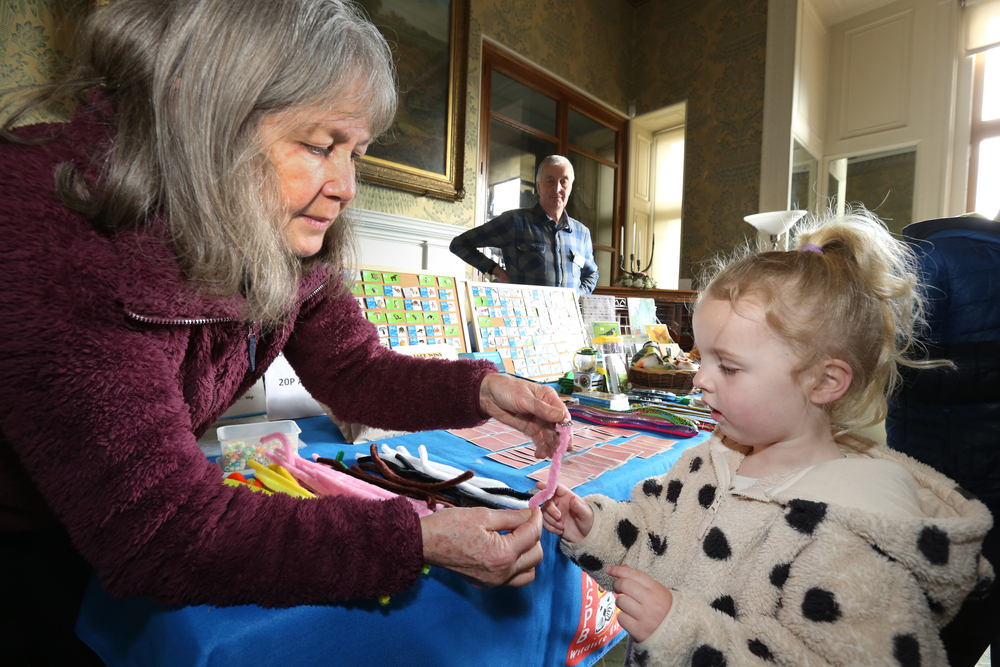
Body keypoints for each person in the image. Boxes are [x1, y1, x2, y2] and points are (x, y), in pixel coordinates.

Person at [0, 0, 570, 664]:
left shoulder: (271, 218)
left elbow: (355, 372)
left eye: (354, 152)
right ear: (205, 113)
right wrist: (416, 541)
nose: (348, 185)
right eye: (321, 145)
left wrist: (483, 389)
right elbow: (163, 532)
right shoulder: (49, 226)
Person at [539, 210, 994, 666]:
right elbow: (655, 537)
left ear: (824, 382)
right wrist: (597, 529)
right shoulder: (710, 458)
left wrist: (682, 633)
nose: (700, 380)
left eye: (729, 367)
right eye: (702, 358)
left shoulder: (853, 536)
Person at [886, 214, 1000, 667]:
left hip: (945, 466)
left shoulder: (932, 254)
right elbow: (889, 358)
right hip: (945, 461)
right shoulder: (936, 255)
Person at [449, 155, 599, 295]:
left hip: (566, 321)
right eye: (550, 181)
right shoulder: (514, 221)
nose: (557, 188)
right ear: (539, 186)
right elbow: (460, 244)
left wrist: (578, 296)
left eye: (563, 181)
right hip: (526, 319)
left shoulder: (582, 233)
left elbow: (591, 274)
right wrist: (497, 272)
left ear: (570, 188)